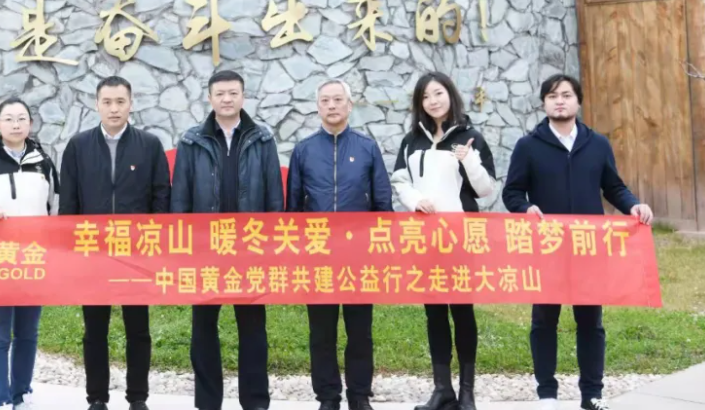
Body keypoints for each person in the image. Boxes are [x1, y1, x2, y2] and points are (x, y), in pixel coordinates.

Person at [502, 74, 653, 410]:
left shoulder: (596, 144)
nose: (560, 101)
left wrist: (633, 205)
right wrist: (525, 208)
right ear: (544, 103)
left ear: (578, 101)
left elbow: (613, 187)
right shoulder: (528, 146)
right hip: (547, 248)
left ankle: (592, 394)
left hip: (589, 248)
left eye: (567, 95)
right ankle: (547, 395)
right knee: (544, 321)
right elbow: (512, 192)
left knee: (590, 322)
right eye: (553, 96)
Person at [170, 70, 283, 410]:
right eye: (220, 93)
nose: (227, 99)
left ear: (243, 96)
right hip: (206, 251)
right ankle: (207, 403)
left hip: (250, 249)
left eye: (233, 93)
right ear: (210, 98)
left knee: (253, 330)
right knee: (203, 329)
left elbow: (274, 199)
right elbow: (181, 198)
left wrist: (272, 247)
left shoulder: (262, 140)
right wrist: (184, 248)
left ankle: (256, 402)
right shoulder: (192, 141)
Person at [58, 76, 171, 410]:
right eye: (107, 102)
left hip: (135, 253)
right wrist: (70, 250)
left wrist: (155, 247)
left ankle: (138, 397)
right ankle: (97, 398)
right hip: (93, 252)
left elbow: (161, 197)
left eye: (120, 101)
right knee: (95, 330)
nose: (114, 108)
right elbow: (69, 201)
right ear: (97, 104)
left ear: (131, 104)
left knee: (138, 330)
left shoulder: (149, 145)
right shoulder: (78, 146)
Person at [391, 72, 496, 410]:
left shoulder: (470, 137)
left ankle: (467, 392)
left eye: (438, 93)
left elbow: (486, 189)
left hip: (460, 238)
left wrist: (470, 161)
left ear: (450, 94)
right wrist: (414, 201)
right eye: (425, 96)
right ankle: (442, 389)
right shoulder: (412, 140)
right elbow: (400, 179)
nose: (432, 101)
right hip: (424, 239)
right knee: (434, 313)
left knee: (462, 311)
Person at [286, 80, 393, 410]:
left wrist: (381, 250)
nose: (331, 106)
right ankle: (328, 397)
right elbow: (293, 208)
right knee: (321, 332)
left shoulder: (367, 148)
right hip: (317, 255)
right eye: (325, 100)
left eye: (337, 100)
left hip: (359, 256)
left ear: (349, 105)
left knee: (360, 331)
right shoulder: (304, 150)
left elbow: (383, 204)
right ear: (317, 107)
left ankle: (359, 396)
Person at [0, 97, 59, 410]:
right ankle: (0, 400)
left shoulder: (44, 163)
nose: (16, 124)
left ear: (30, 123)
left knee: (28, 332)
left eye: (21, 118)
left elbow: (56, 209)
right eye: (9, 119)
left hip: (34, 258)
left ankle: (21, 393)